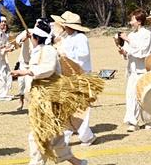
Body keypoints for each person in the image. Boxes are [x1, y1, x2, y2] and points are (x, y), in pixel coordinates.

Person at [11, 18, 100, 165]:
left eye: (32, 36)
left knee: (37, 133)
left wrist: (26, 72)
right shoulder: (38, 50)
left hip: (48, 99)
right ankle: (77, 162)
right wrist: (25, 42)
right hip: (38, 99)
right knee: (57, 134)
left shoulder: (49, 50)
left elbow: (48, 68)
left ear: (37, 37)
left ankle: (36, 162)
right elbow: (27, 59)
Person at [52, 11, 96, 146]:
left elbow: (83, 55)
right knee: (67, 107)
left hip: (81, 76)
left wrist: (65, 54)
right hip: (68, 76)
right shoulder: (66, 38)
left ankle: (86, 136)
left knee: (81, 108)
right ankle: (66, 136)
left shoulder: (81, 38)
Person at [118, 8, 151, 132]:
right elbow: (129, 53)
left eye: (132, 19)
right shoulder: (132, 34)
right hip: (132, 71)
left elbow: (143, 51)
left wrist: (128, 40)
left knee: (144, 96)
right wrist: (123, 51)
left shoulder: (147, 34)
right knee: (131, 95)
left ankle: (148, 120)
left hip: (143, 70)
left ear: (139, 21)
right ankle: (133, 121)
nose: (130, 22)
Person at [15, 27, 32, 111]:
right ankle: (21, 101)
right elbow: (18, 42)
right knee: (21, 83)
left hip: (32, 64)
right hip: (23, 62)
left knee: (29, 86)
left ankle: (31, 104)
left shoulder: (40, 35)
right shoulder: (25, 32)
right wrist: (25, 37)